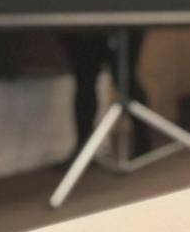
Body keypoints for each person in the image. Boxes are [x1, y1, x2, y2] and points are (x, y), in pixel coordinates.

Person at [59, 30, 151, 161]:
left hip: (121, 24)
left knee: (125, 82)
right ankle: (84, 147)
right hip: (83, 29)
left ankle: (144, 142)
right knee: (85, 83)